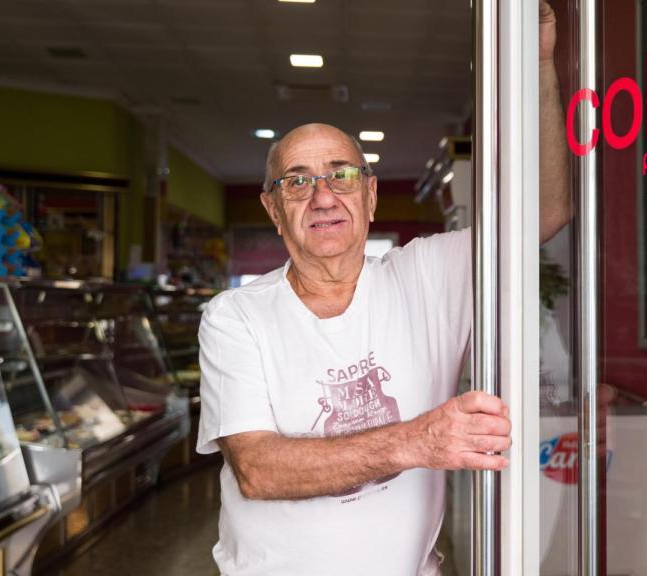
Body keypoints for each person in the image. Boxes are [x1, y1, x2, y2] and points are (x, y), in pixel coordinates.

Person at [195, 3, 570, 574]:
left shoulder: (427, 275)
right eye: (298, 181)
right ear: (273, 209)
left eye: (341, 175)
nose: (323, 197)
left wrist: (540, 63)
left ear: (369, 195)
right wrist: (419, 440)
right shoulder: (235, 316)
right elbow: (259, 470)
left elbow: (545, 210)